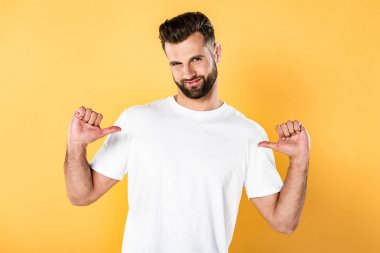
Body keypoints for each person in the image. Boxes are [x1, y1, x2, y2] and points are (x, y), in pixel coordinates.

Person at [64, 11, 310, 253]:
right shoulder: (137, 120)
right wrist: (76, 146)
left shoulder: (248, 134)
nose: (187, 74)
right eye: (176, 64)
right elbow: (81, 196)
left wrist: (299, 161)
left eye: (196, 59)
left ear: (217, 52)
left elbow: (284, 222)